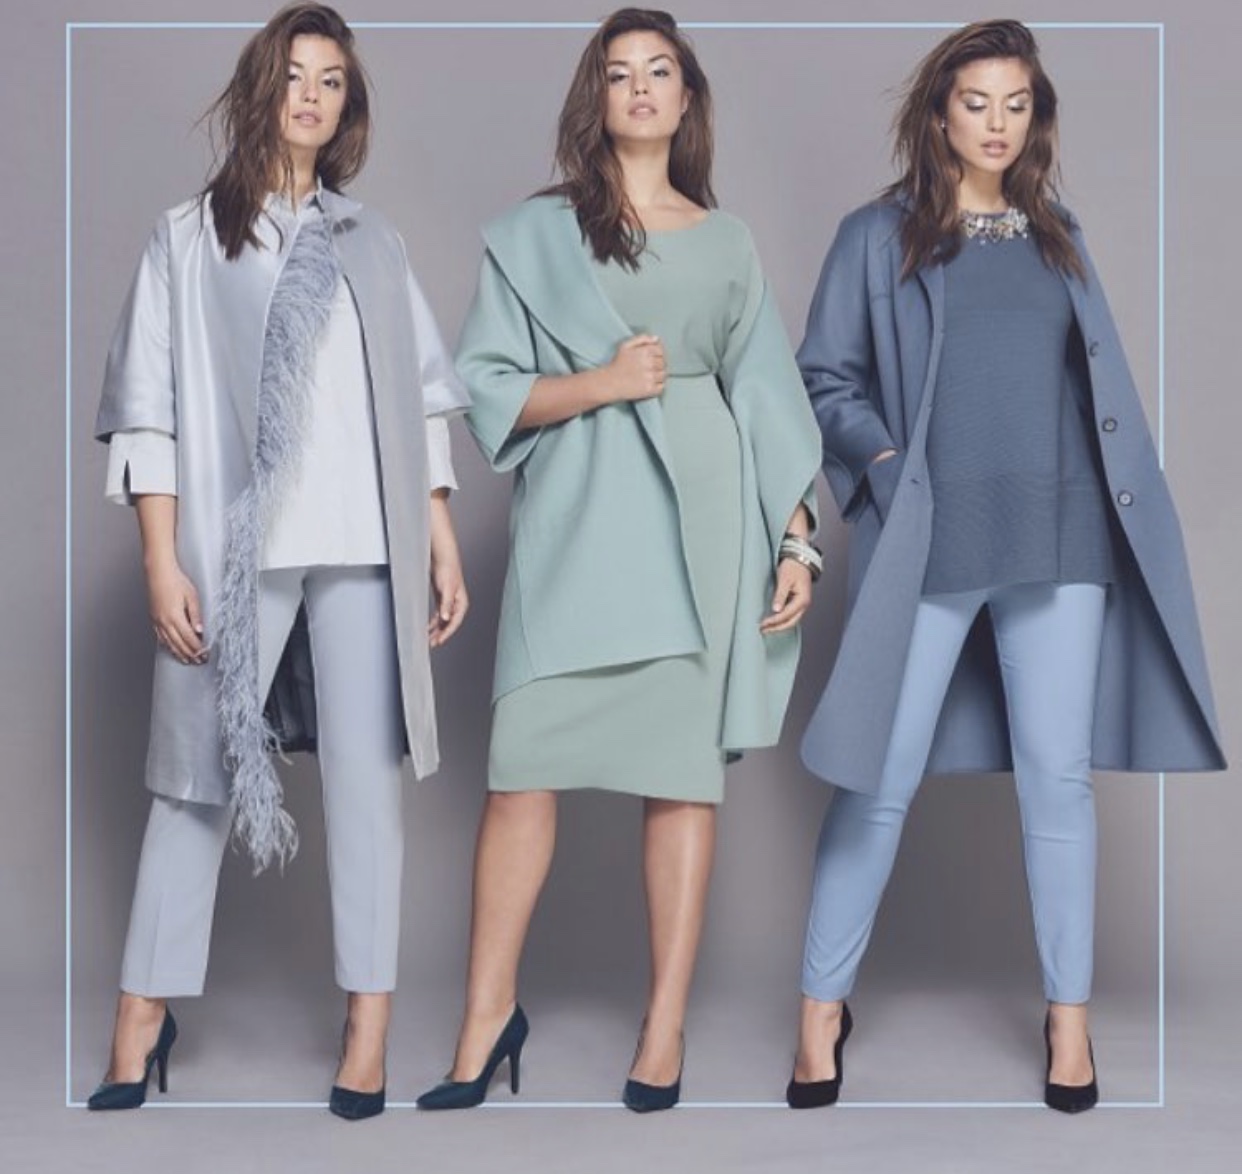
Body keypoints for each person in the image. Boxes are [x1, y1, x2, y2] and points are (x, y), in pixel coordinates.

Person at [789, 19, 1224, 1114]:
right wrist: (886, 464)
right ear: (939, 114)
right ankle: (819, 1010)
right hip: (931, 540)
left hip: (1062, 534)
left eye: (1016, 104)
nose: (996, 123)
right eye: (975, 102)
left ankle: (1068, 1021)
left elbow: (1091, 388)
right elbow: (824, 376)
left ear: (1037, 117)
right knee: (876, 782)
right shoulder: (876, 236)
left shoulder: (1060, 235)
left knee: (1057, 783)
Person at [416, 7, 820, 1113]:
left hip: (702, 526)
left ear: (687, 98)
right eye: (618, 72)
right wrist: (602, 382)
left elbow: (769, 397)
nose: (640, 86)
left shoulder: (727, 242)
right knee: (520, 773)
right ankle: (484, 1019)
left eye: (660, 70)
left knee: (681, 781)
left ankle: (664, 1028)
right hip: (578, 521)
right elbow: (483, 386)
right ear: (594, 99)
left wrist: (797, 537)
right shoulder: (536, 233)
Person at [87, 2, 470, 1121]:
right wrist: (161, 560)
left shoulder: (372, 242)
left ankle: (368, 1028)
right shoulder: (186, 237)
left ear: (349, 106)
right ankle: (140, 1014)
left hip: (367, 543)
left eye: (332, 80)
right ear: (262, 87)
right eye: (295, 74)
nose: (311, 94)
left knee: (365, 787)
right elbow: (148, 412)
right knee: (195, 777)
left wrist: (440, 537)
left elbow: (421, 404)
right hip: (236, 551)